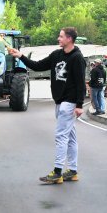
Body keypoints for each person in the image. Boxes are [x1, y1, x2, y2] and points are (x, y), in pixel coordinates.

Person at [9, 27, 86, 184]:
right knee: (70, 137)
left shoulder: (77, 58)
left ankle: (57, 172)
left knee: (61, 136)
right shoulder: (56, 55)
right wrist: (21, 56)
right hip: (59, 101)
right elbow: (37, 66)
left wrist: (79, 105)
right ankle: (72, 170)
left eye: (61, 36)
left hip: (69, 103)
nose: (58, 39)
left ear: (69, 39)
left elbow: (80, 83)